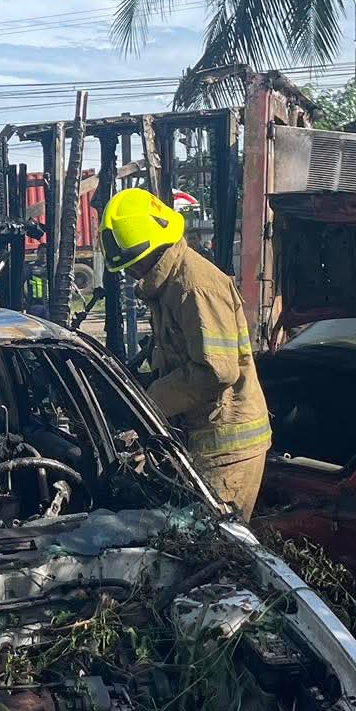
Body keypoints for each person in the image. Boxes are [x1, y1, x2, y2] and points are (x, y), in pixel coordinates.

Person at [100, 187, 271, 517]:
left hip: (227, 445)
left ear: (155, 247)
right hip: (201, 436)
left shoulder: (194, 286)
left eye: (135, 264)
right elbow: (176, 357)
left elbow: (216, 371)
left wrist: (148, 402)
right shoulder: (166, 285)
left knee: (215, 545)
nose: (131, 273)